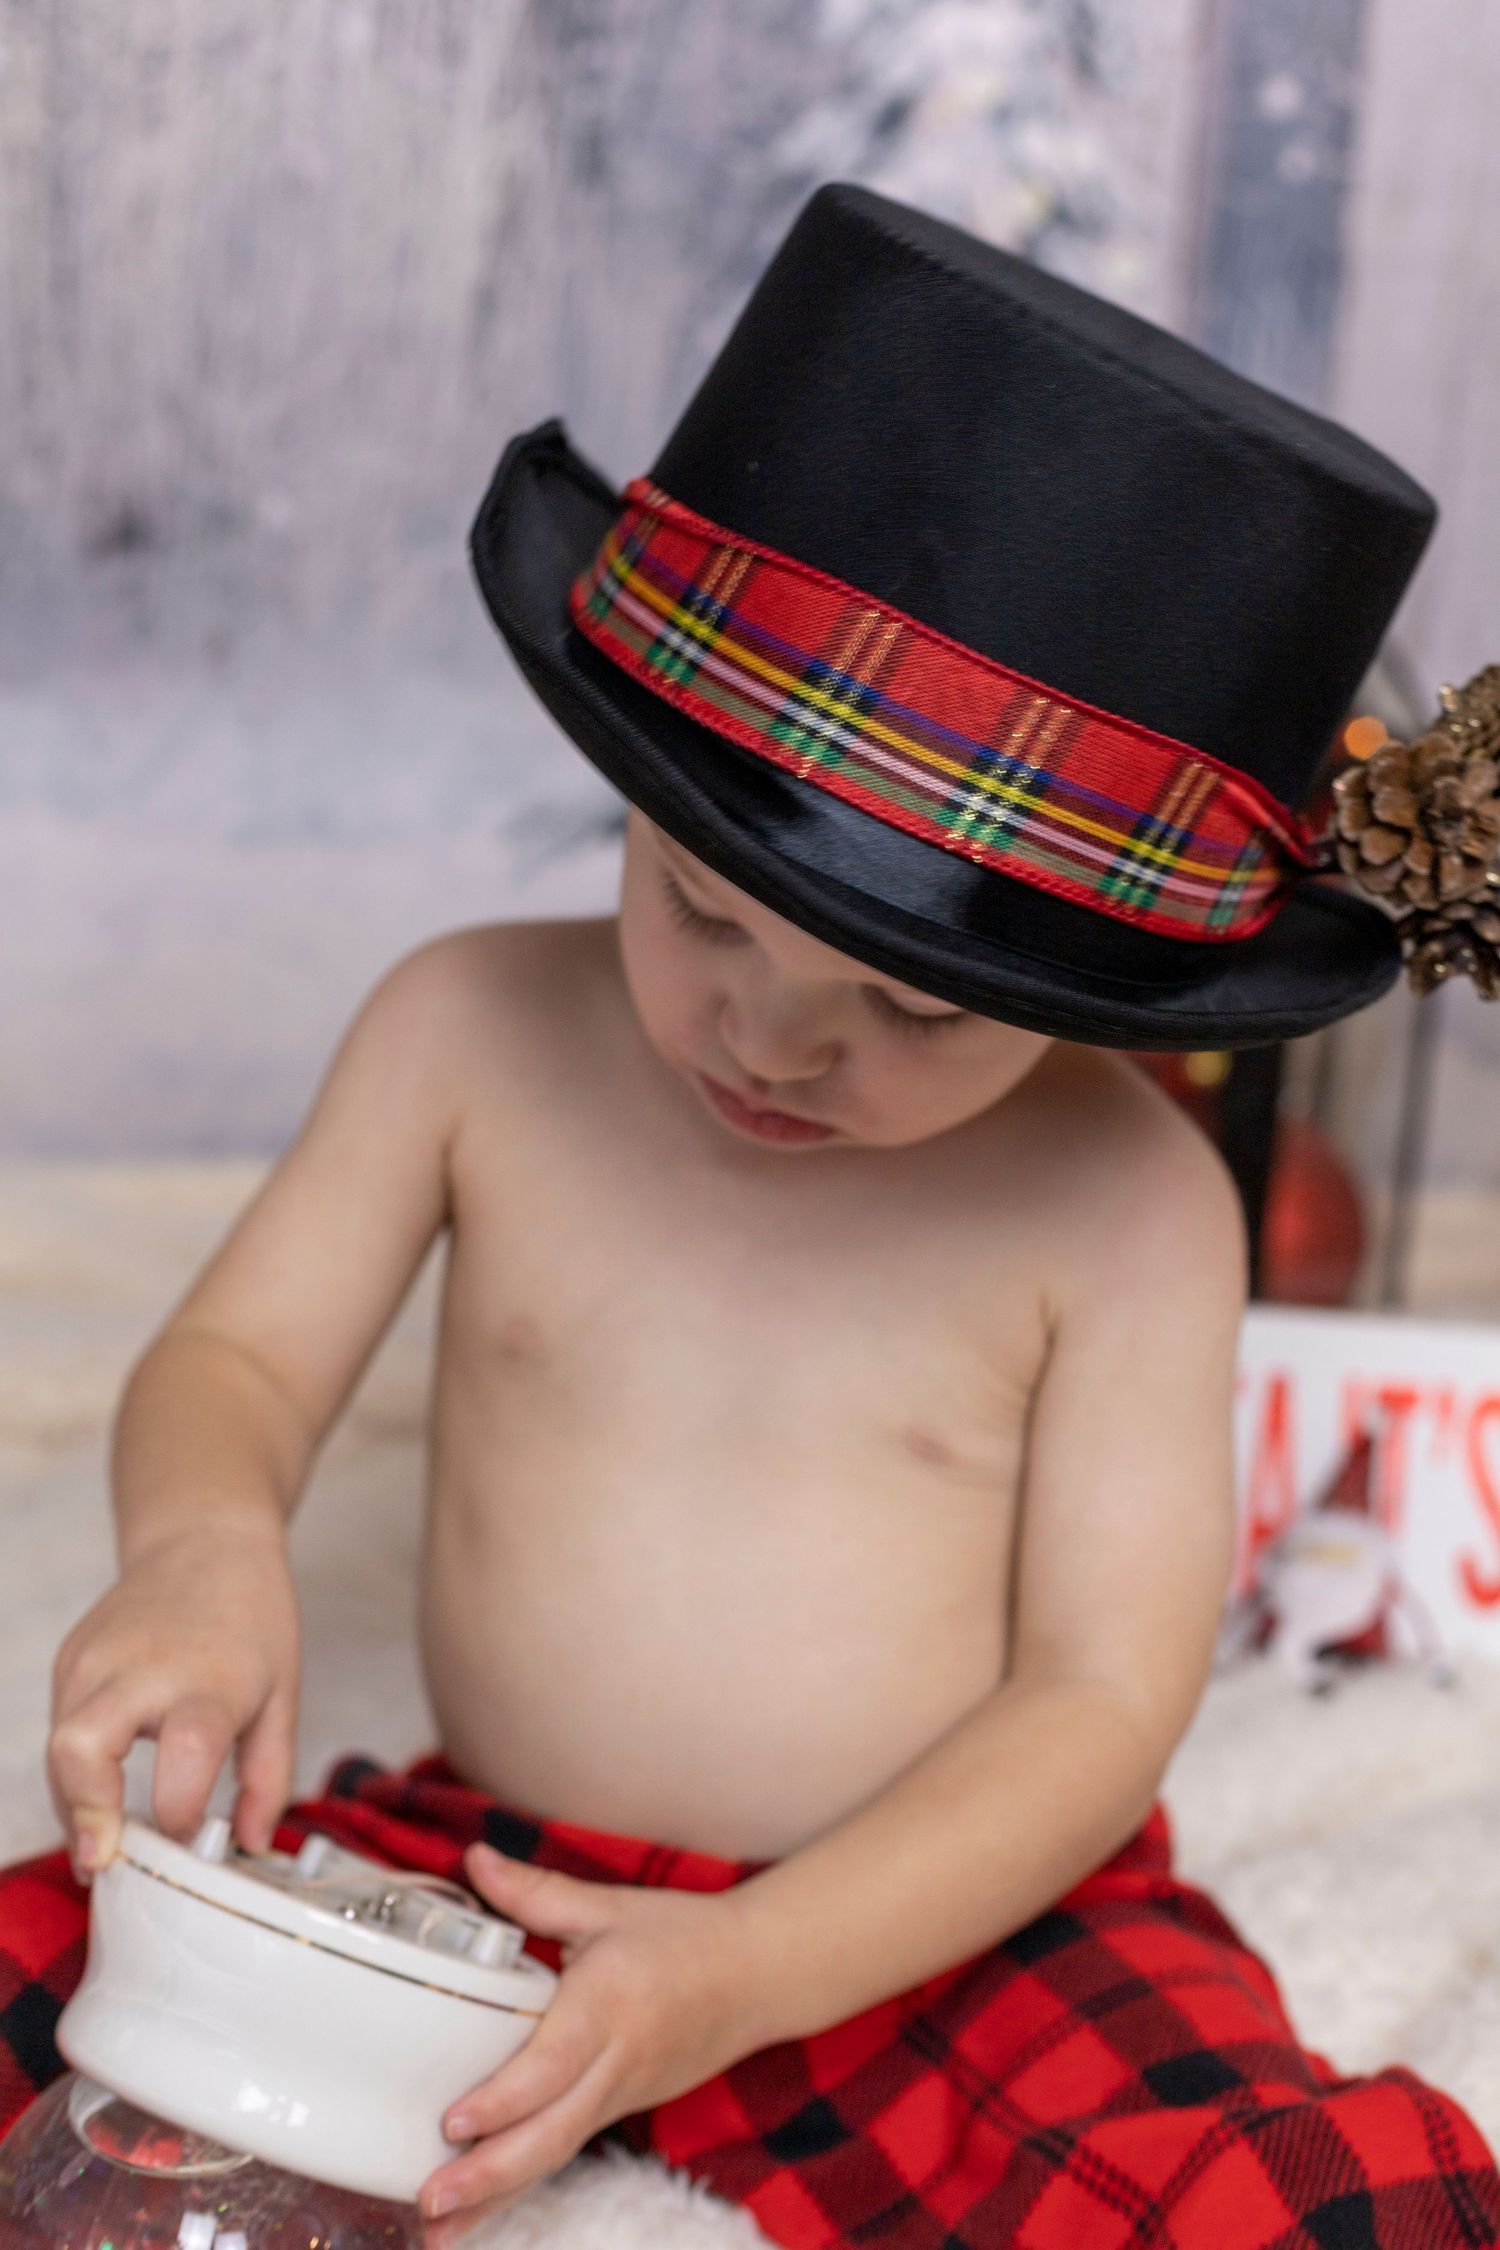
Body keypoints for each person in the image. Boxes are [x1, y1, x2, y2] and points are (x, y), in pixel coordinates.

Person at [4, 181, 1499, 2250]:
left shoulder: (1132, 1205)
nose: (773, 1042)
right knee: (48, 1998)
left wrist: (751, 1973)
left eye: (914, 1003)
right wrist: (198, 1550)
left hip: (942, 1924)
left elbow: (1093, 1701)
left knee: (1307, 2200)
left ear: (1110, 997)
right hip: (492, 1868)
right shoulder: (467, 1029)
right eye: (700, 904)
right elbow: (242, 1357)